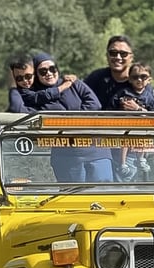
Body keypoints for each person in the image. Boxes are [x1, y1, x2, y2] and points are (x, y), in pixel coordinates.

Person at [27, 52, 113, 182]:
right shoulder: (35, 97)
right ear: (36, 75)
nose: (49, 73)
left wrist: (71, 120)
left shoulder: (73, 83)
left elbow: (94, 104)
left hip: (97, 152)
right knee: (73, 199)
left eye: (52, 69)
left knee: (104, 196)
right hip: (66, 157)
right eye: (43, 71)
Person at [113, 62, 154, 179]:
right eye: (135, 77)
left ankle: (141, 159)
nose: (139, 80)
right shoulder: (124, 92)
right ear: (129, 79)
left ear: (149, 79)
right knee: (126, 139)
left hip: (142, 130)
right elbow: (111, 109)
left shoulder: (150, 96)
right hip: (125, 128)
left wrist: (138, 109)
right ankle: (122, 164)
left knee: (143, 137)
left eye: (143, 77)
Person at [6, 54, 77, 113]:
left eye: (28, 76)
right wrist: (13, 88)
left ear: (35, 74)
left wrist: (66, 78)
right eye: (19, 78)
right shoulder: (21, 91)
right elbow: (17, 108)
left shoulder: (43, 83)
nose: (25, 81)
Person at [83, 35, 139, 110]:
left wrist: (138, 109)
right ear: (107, 56)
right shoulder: (96, 78)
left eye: (123, 54)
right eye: (113, 53)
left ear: (131, 57)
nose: (118, 57)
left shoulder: (140, 79)